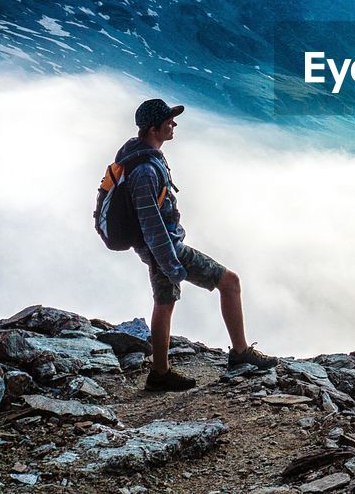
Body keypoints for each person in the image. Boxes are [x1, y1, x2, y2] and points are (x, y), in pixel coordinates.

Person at [116, 97, 277, 391]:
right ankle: (240, 354)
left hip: (159, 250)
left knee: (164, 304)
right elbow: (151, 224)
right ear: (154, 129)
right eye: (168, 121)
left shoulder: (139, 156)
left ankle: (160, 373)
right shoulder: (145, 171)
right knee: (230, 282)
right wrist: (172, 265)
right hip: (165, 250)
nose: (173, 124)